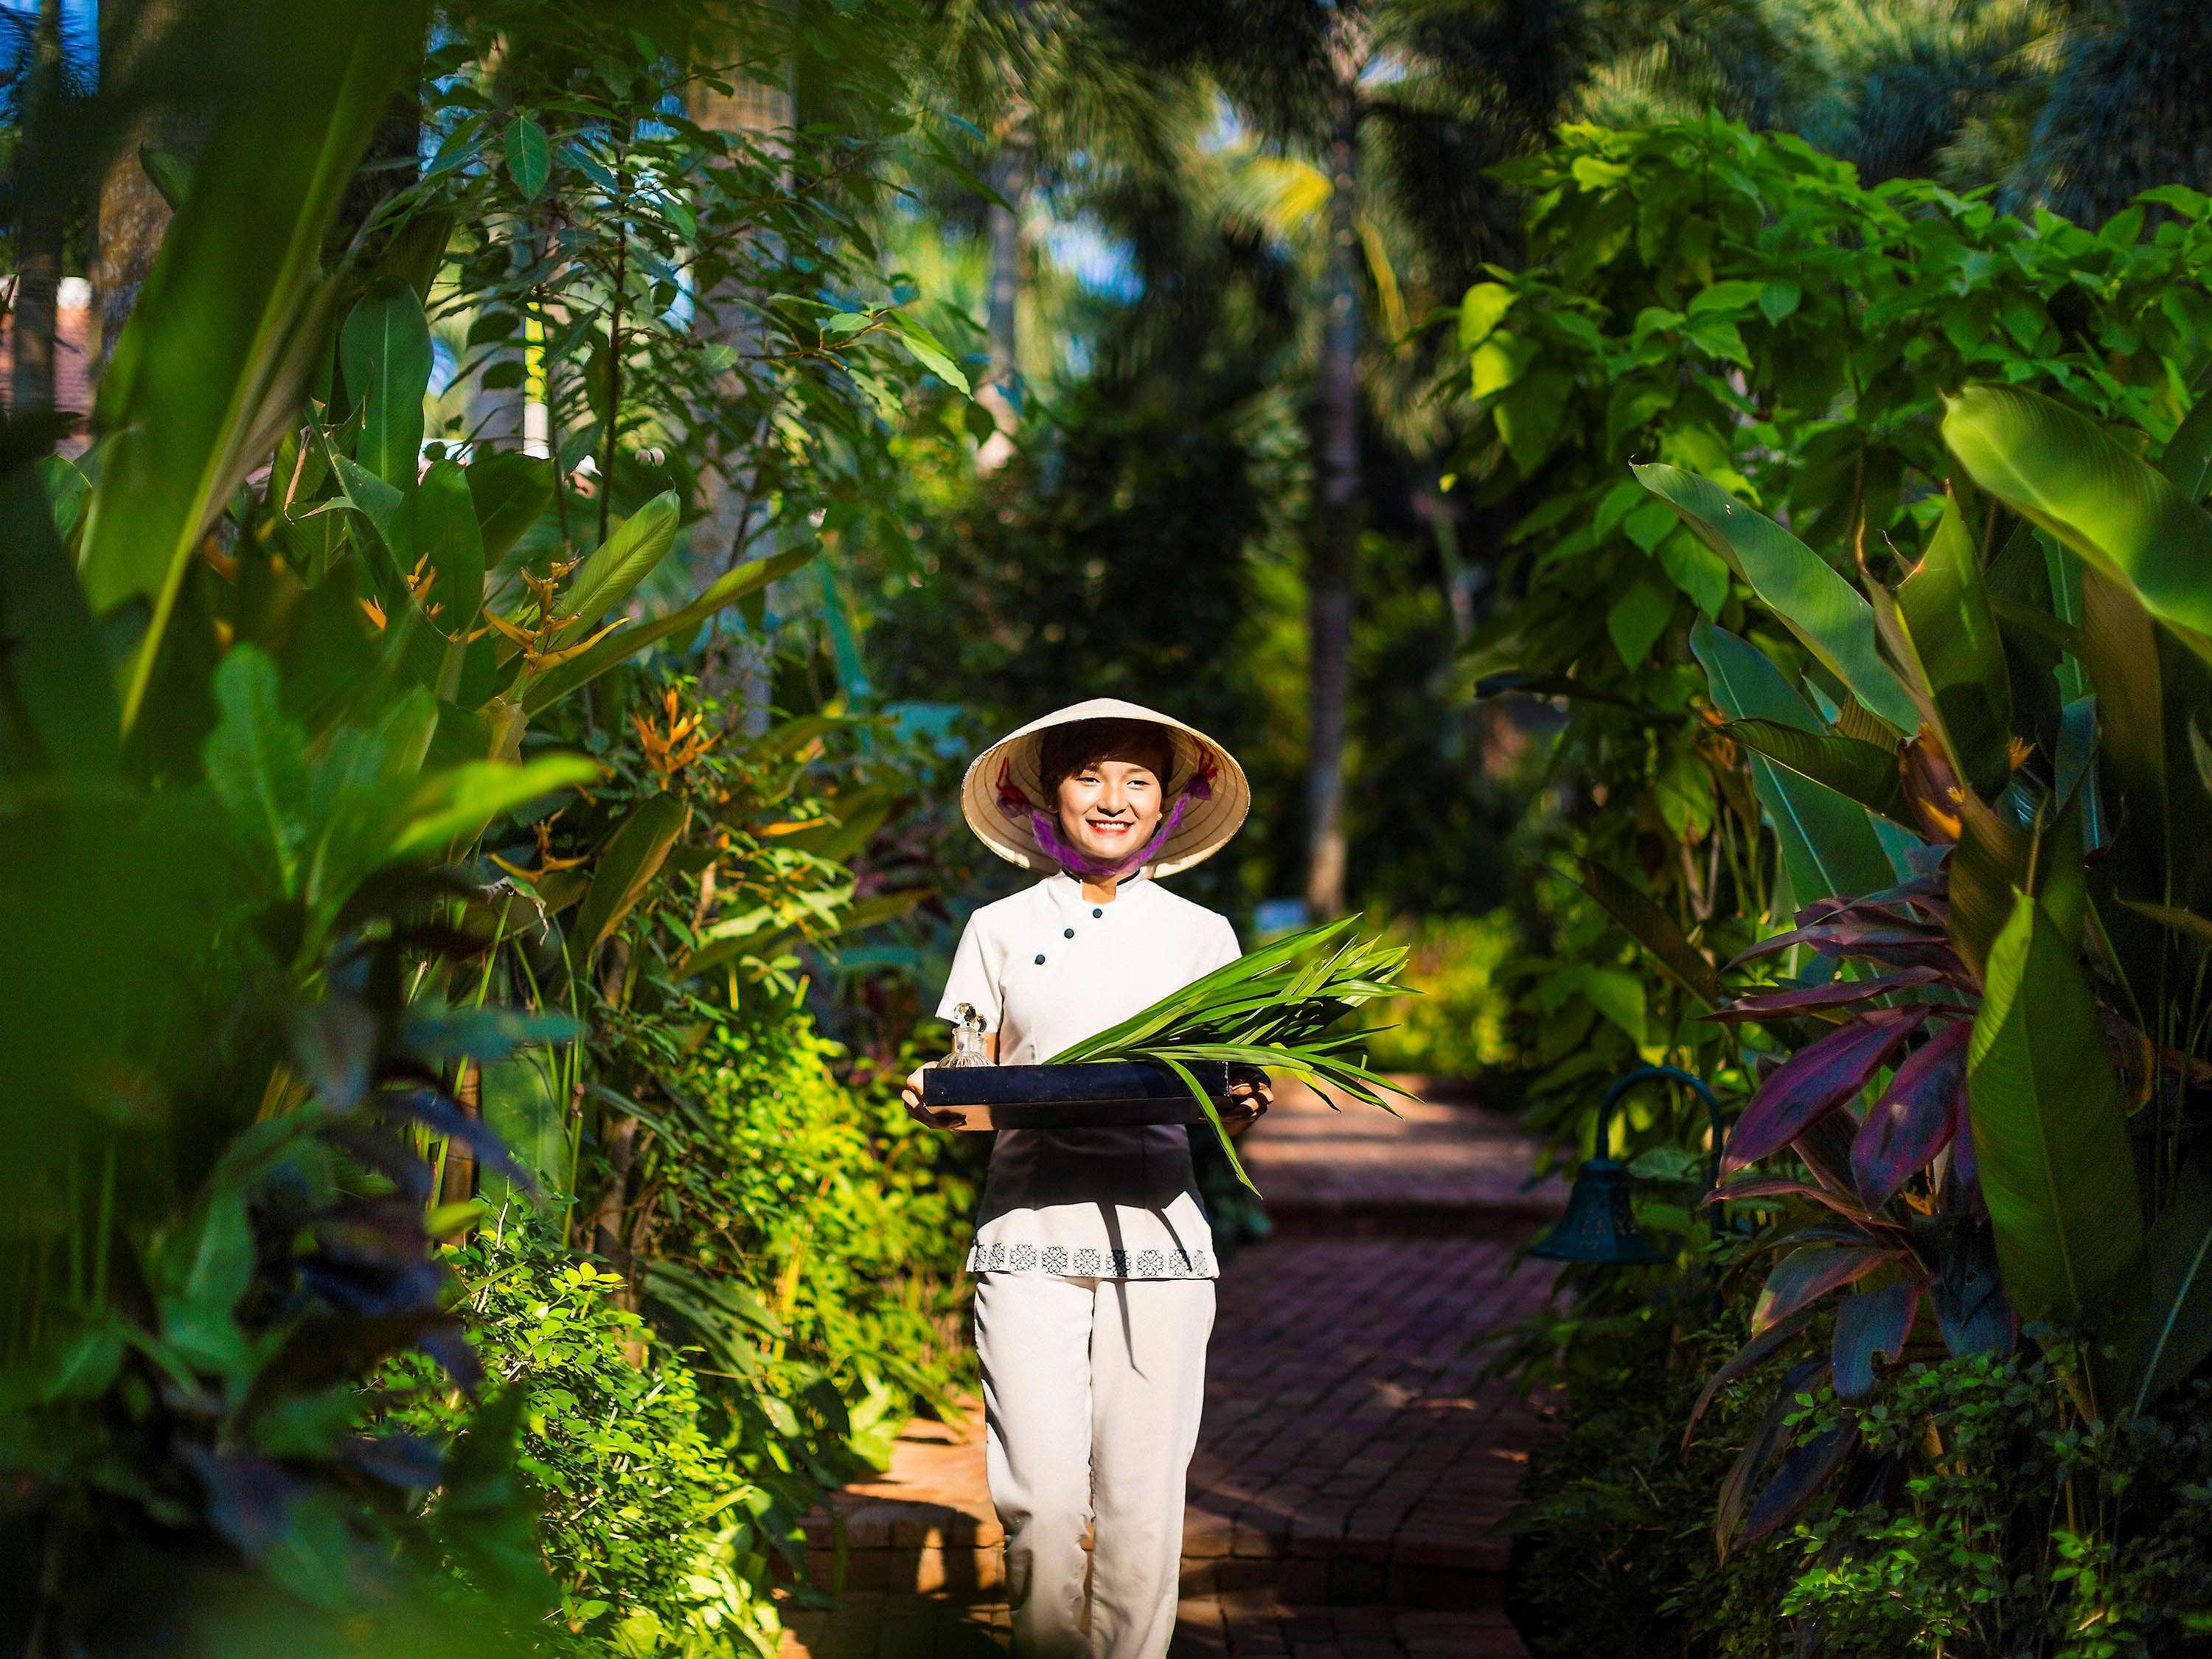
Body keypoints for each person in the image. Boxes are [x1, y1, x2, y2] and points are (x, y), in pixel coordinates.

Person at [902, 698, 1267, 1658]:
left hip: (1162, 1241)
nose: (1113, 798)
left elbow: (1222, 1086)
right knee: (1043, 1501)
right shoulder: (997, 926)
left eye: (1138, 779)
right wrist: (937, 1091)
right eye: (1090, 774)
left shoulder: (1204, 935)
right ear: (1045, 794)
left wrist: (1241, 1101)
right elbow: (973, 1067)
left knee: (1145, 1508)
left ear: (1168, 805)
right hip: (1026, 1234)